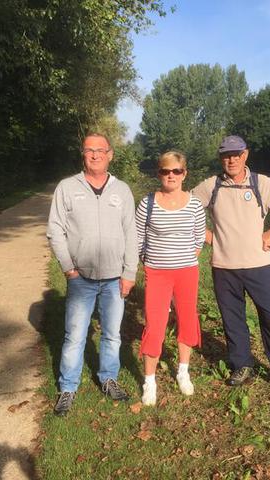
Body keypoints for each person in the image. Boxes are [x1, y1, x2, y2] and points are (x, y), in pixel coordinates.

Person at [192, 135, 270, 398]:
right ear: (220, 158)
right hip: (224, 267)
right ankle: (242, 365)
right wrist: (208, 236)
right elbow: (186, 210)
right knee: (232, 320)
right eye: (225, 155)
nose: (230, 159)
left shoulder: (260, 183)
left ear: (245, 155)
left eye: (235, 154)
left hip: (258, 266)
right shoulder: (212, 185)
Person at [47, 133, 138, 416]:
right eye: (90, 150)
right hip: (81, 279)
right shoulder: (67, 187)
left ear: (111, 154)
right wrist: (68, 267)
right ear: (83, 154)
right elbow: (55, 230)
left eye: (101, 150)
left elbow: (131, 232)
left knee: (112, 334)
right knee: (75, 335)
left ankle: (108, 377)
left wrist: (130, 272)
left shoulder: (121, 190)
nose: (95, 155)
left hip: (114, 279)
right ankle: (68, 388)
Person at [135, 151, 206, 406]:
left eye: (176, 171)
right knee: (155, 324)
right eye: (166, 171)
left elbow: (199, 239)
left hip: (187, 272)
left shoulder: (195, 204)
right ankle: (149, 381)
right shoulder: (148, 203)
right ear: (159, 174)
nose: (171, 176)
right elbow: (138, 239)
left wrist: (183, 259)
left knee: (187, 319)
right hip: (157, 273)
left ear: (184, 174)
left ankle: (183, 372)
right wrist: (151, 263)